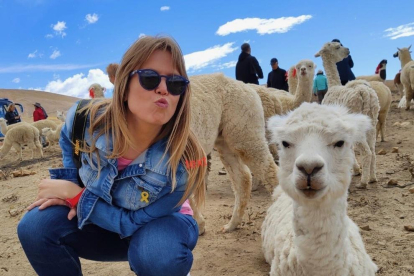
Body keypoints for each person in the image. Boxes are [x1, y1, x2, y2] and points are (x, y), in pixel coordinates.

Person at [17, 36, 207, 276]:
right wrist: (73, 182)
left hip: (155, 227)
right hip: (101, 218)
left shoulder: (185, 162)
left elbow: (131, 223)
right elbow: (68, 139)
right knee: (36, 226)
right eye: (150, 78)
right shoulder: (84, 120)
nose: (163, 89)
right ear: (124, 87)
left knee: (156, 253)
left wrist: (75, 195)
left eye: (176, 84)